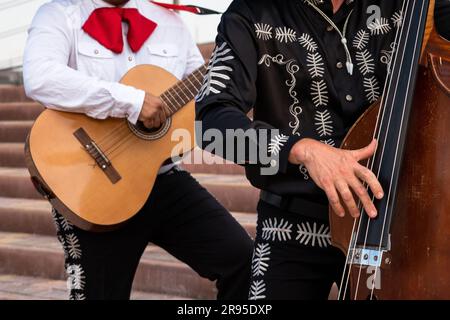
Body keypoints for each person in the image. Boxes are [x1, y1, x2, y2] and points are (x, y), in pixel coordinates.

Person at [196, 0, 449, 300]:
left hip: (396, 221)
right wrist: (301, 149)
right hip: (290, 226)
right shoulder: (250, 13)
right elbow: (212, 127)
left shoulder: (412, 5)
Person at [23, 0, 253, 300]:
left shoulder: (170, 22)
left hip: (164, 181)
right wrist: (130, 101)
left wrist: (247, 76)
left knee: (243, 260)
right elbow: (40, 77)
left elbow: (205, 93)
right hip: (92, 187)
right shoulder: (59, 14)